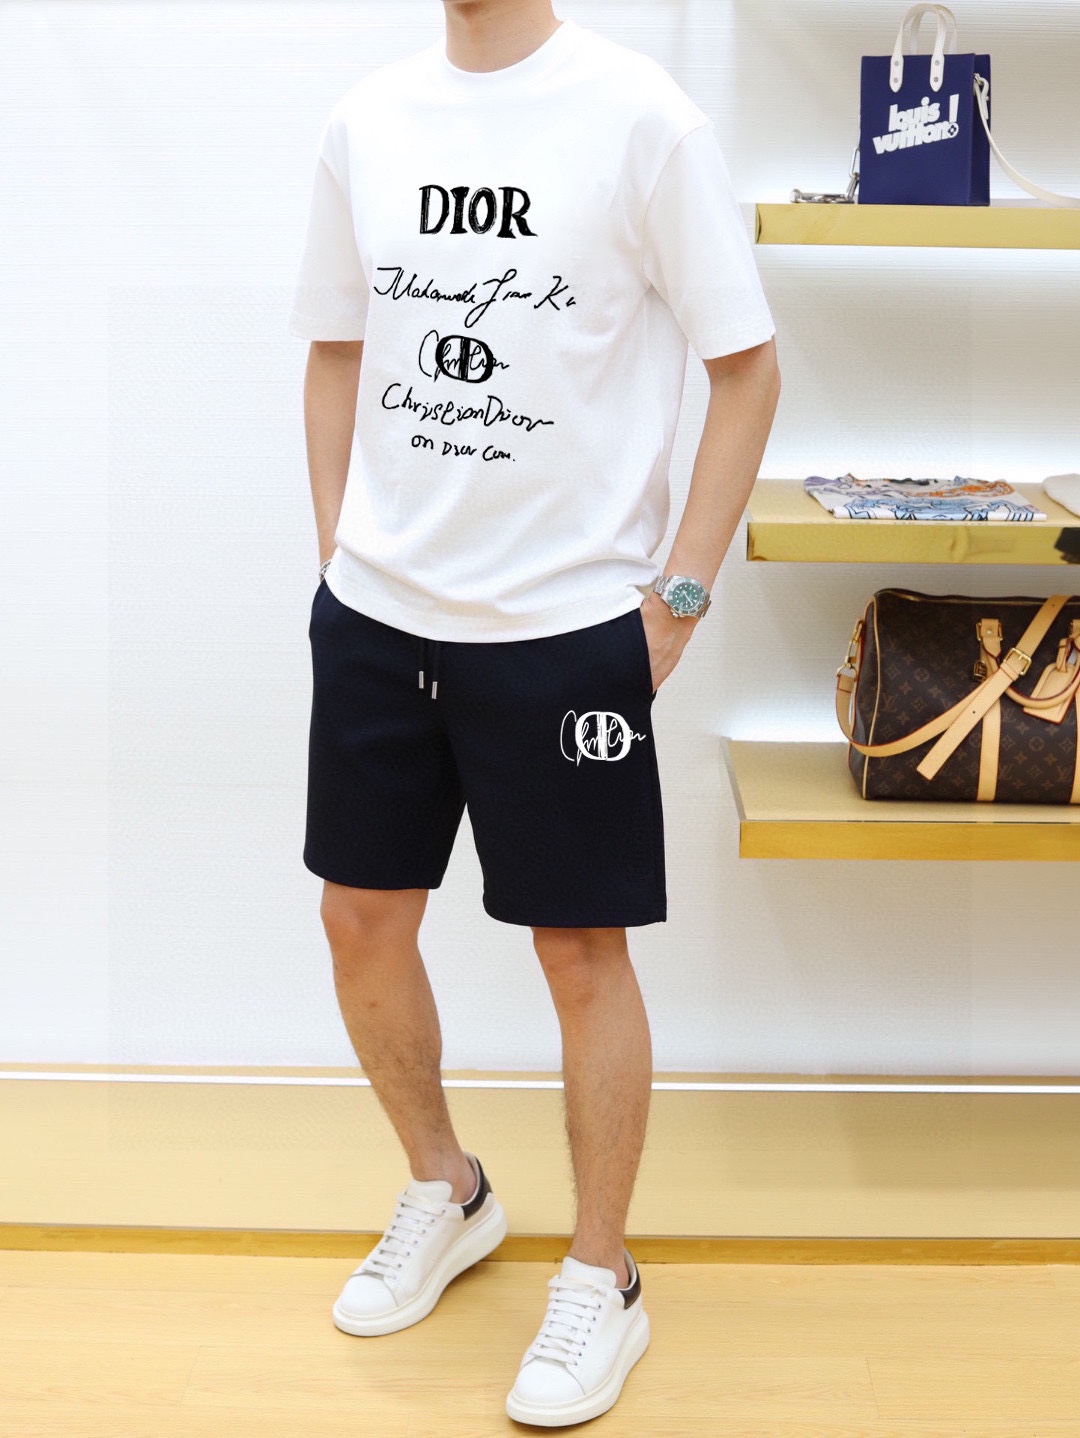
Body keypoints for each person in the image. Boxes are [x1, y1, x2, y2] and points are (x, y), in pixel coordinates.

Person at [288, 0, 779, 1424]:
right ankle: (448, 1186)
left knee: (579, 950)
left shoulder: (641, 119)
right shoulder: (370, 121)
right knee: (359, 918)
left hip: (568, 631)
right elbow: (336, 346)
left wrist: (675, 603)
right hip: (380, 616)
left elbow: (746, 366)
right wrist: (336, 556)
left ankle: (600, 1271)